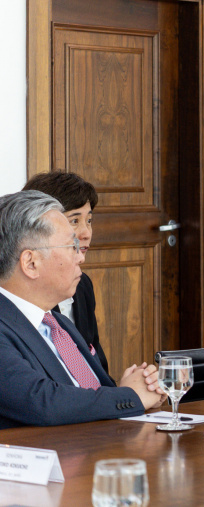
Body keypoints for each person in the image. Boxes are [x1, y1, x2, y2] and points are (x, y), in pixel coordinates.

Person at [0, 191, 164, 429]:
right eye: (71, 246)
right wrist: (131, 396)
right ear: (31, 263)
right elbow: (44, 403)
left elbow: (91, 394)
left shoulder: (58, 323)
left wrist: (140, 389)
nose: (81, 258)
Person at [22, 170, 108, 374]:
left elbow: (98, 371)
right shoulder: (22, 292)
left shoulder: (82, 285)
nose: (86, 234)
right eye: (74, 221)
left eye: (89, 220)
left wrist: (128, 396)